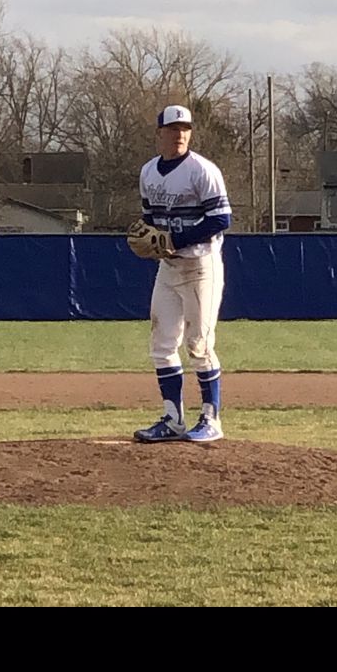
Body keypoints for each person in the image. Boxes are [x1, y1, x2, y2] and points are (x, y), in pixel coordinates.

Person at [128, 104, 231, 444]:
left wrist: (175, 239)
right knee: (162, 344)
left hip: (201, 266)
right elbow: (150, 219)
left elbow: (221, 219)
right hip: (169, 267)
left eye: (184, 129)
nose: (179, 135)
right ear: (159, 134)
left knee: (199, 344)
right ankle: (173, 420)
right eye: (173, 129)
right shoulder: (148, 172)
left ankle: (211, 419)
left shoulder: (202, 170)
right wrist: (150, 237)